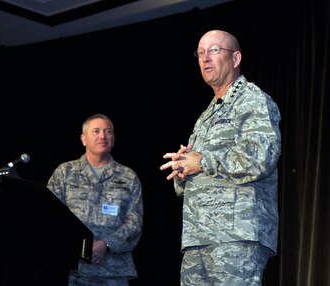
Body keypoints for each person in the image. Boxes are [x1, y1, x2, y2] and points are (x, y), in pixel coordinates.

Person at [159, 30, 281, 286]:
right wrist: (183, 169)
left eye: (214, 50)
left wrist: (202, 161)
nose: (206, 58)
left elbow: (260, 158)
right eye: (201, 53)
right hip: (198, 235)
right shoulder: (206, 115)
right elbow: (198, 166)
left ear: (236, 58)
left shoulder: (252, 100)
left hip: (235, 234)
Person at [47, 113, 143, 286]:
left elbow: (134, 222)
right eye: (96, 131)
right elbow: (49, 215)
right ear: (83, 139)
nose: (102, 136)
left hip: (113, 272)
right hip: (70, 270)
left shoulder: (128, 176)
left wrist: (106, 243)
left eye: (108, 132)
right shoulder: (65, 172)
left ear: (113, 139)